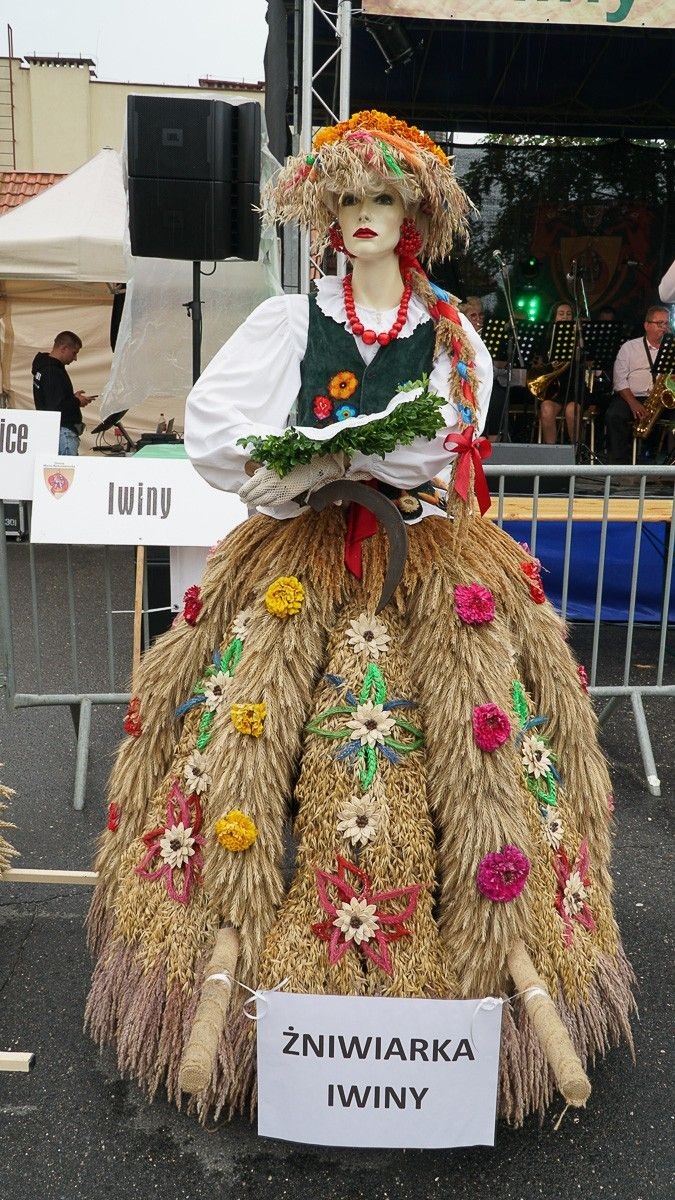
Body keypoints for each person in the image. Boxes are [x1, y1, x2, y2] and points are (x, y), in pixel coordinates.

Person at [85, 111, 634, 1129]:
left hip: (426, 556)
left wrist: (390, 453)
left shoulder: (452, 330)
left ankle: (494, 989)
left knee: (477, 762)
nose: (366, 217)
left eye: (384, 199)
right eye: (348, 201)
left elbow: (459, 439)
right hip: (304, 553)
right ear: (325, 216)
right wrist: (309, 455)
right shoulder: (294, 321)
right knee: (256, 739)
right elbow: (216, 429)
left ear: (417, 210)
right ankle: (225, 985)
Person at [605, 304, 670, 464]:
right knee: (614, 415)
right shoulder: (629, 347)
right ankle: (620, 463)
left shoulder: (671, 347)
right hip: (631, 397)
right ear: (646, 325)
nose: (664, 327)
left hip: (662, 399)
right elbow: (619, 380)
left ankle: (668, 464)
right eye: (659, 323)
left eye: (666, 323)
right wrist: (632, 402)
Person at [31, 331, 95, 455]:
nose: (75, 358)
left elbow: (53, 398)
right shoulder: (52, 371)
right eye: (74, 353)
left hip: (56, 431)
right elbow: (55, 406)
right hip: (63, 432)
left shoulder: (45, 367)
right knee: (65, 472)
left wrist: (72, 398)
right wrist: (77, 401)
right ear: (64, 348)